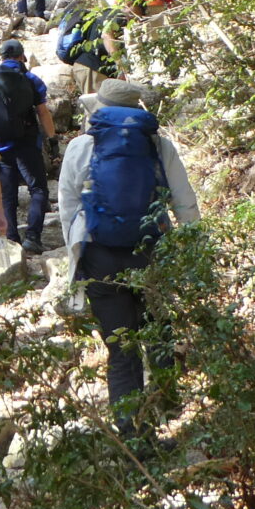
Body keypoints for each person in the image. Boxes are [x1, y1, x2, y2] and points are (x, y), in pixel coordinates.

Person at [57, 80, 201, 441]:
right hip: (152, 249)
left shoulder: (81, 146)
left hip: (100, 254)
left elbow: (68, 206)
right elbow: (184, 201)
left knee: (121, 349)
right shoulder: (157, 144)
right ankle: (168, 409)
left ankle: (134, 434)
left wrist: (77, 253)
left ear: (99, 108)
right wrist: (194, 252)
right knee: (159, 332)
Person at [0, 39, 56, 255]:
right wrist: (52, 140)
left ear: (2, 57)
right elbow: (43, 112)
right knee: (38, 189)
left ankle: (13, 239)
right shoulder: (30, 79)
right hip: (26, 144)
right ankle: (33, 237)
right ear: (22, 57)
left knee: (8, 194)